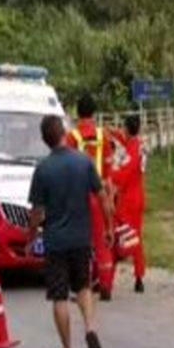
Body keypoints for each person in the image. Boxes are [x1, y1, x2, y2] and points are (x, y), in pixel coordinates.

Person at [26, 115, 113, 348]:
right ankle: (90, 327)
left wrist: (31, 239)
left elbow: (36, 213)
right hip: (81, 239)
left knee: (60, 297)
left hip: (56, 242)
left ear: (45, 140)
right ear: (64, 132)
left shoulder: (43, 170)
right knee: (83, 287)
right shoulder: (83, 162)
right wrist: (108, 228)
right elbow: (103, 196)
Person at [65, 95, 117, 301]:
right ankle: (106, 285)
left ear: (78, 113)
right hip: (100, 193)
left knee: (81, 244)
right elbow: (109, 168)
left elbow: (67, 170)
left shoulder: (72, 137)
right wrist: (110, 196)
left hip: (79, 196)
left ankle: (83, 287)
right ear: (94, 113)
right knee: (103, 240)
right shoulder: (102, 135)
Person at [112, 114, 148, 293]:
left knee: (121, 233)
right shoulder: (138, 145)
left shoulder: (132, 152)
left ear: (127, 128)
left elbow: (122, 175)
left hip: (128, 199)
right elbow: (124, 140)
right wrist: (111, 132)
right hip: (137, 195)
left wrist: (108, 174)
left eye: (122, 128)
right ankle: (139, 275)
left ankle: (110, 270)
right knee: (136, 236)